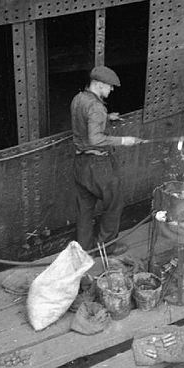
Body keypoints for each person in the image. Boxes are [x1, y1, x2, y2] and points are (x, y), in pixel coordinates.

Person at [71, 66, 142, 255]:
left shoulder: (79, 99)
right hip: (98, 166)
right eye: (109, 86)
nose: (111, 90)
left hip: (80, 164)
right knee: (114, 203)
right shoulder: (96, 107)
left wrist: (107, 118)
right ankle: (107, 246)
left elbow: (84, 120)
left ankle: (84, 250)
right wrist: (124, 141)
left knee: (85, 209)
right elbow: (95, 139)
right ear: (99, 84)